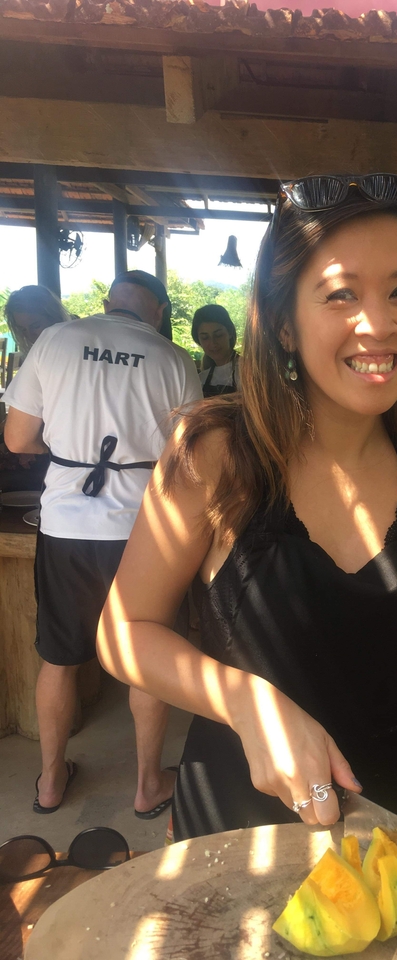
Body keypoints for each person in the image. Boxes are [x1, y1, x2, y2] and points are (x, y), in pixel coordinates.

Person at [97, 174, 397, 866]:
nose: (378, 323)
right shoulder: (217, 454)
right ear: (285, 323)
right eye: (342, 293)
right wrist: (243, 699)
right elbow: (123, 631)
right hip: (236, 834)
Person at [3, 270, 202, 816]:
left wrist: (71, 442)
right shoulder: (173, 360)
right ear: (158, 310)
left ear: (107, 302)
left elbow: (17, 437)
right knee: (147, 657)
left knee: (59, 660)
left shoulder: (55, 341)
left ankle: (48, 783)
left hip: (66, 525)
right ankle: (147, 787)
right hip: (145, 531)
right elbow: (188, 459)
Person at [1, 286, 71, 491]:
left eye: (35, 326)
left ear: (55, 316)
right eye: (23, 330)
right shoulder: (39, 351)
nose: (30, 335)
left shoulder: (74, 347)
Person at [191, 304, 241, 397]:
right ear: (198, 341)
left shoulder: (249, 371)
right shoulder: (201, 379)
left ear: (229, 332)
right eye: (205, 337)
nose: (213, 343)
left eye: (218, 335)